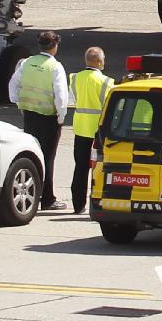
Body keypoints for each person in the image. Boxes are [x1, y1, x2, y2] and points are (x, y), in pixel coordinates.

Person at [8, 30, 71, 211]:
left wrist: (18, 102)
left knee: (32, 155)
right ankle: (48, 199)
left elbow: (13, 84)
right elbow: (61, 95)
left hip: (29, 115)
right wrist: (61, 116)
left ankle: (33, 194)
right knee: (48, 158)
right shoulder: (55, 66)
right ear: (55, 46)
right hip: (49, 118)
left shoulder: (26, 63)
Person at [69, 47, 113, 216]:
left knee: (80, 167)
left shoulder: (74, 78)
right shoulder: (107, 82)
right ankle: (97, 203)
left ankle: (78, 205)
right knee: (99, 169)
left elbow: (72, 98)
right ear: (100, 62)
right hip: (98, 131)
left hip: (80, 128)